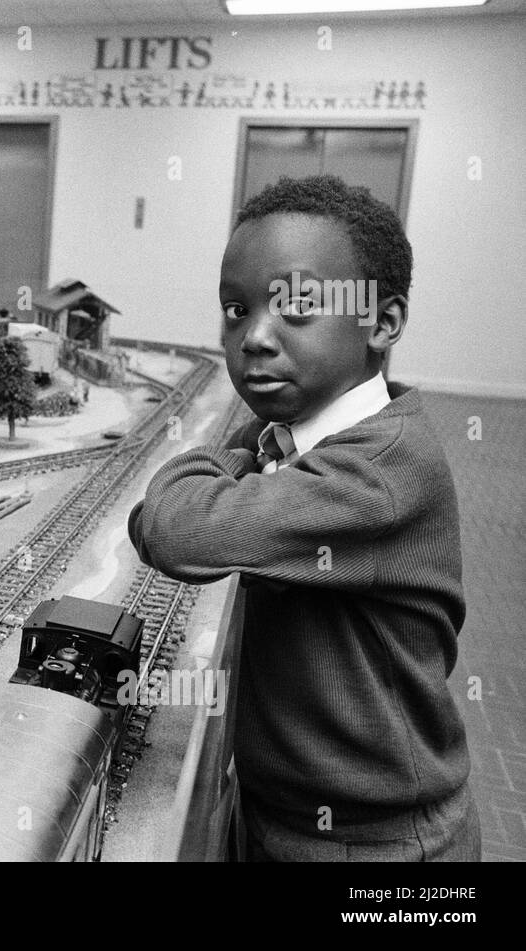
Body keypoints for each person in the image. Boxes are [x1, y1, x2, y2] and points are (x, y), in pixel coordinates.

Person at [127, 175, 478, 862]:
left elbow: (172, 528)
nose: (254, 336)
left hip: (380, 846)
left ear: (383, 321)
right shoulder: (296, 438)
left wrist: (221, 459)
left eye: (299, 305)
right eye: (236, 308)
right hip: (287, 814)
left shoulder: (378, 470)